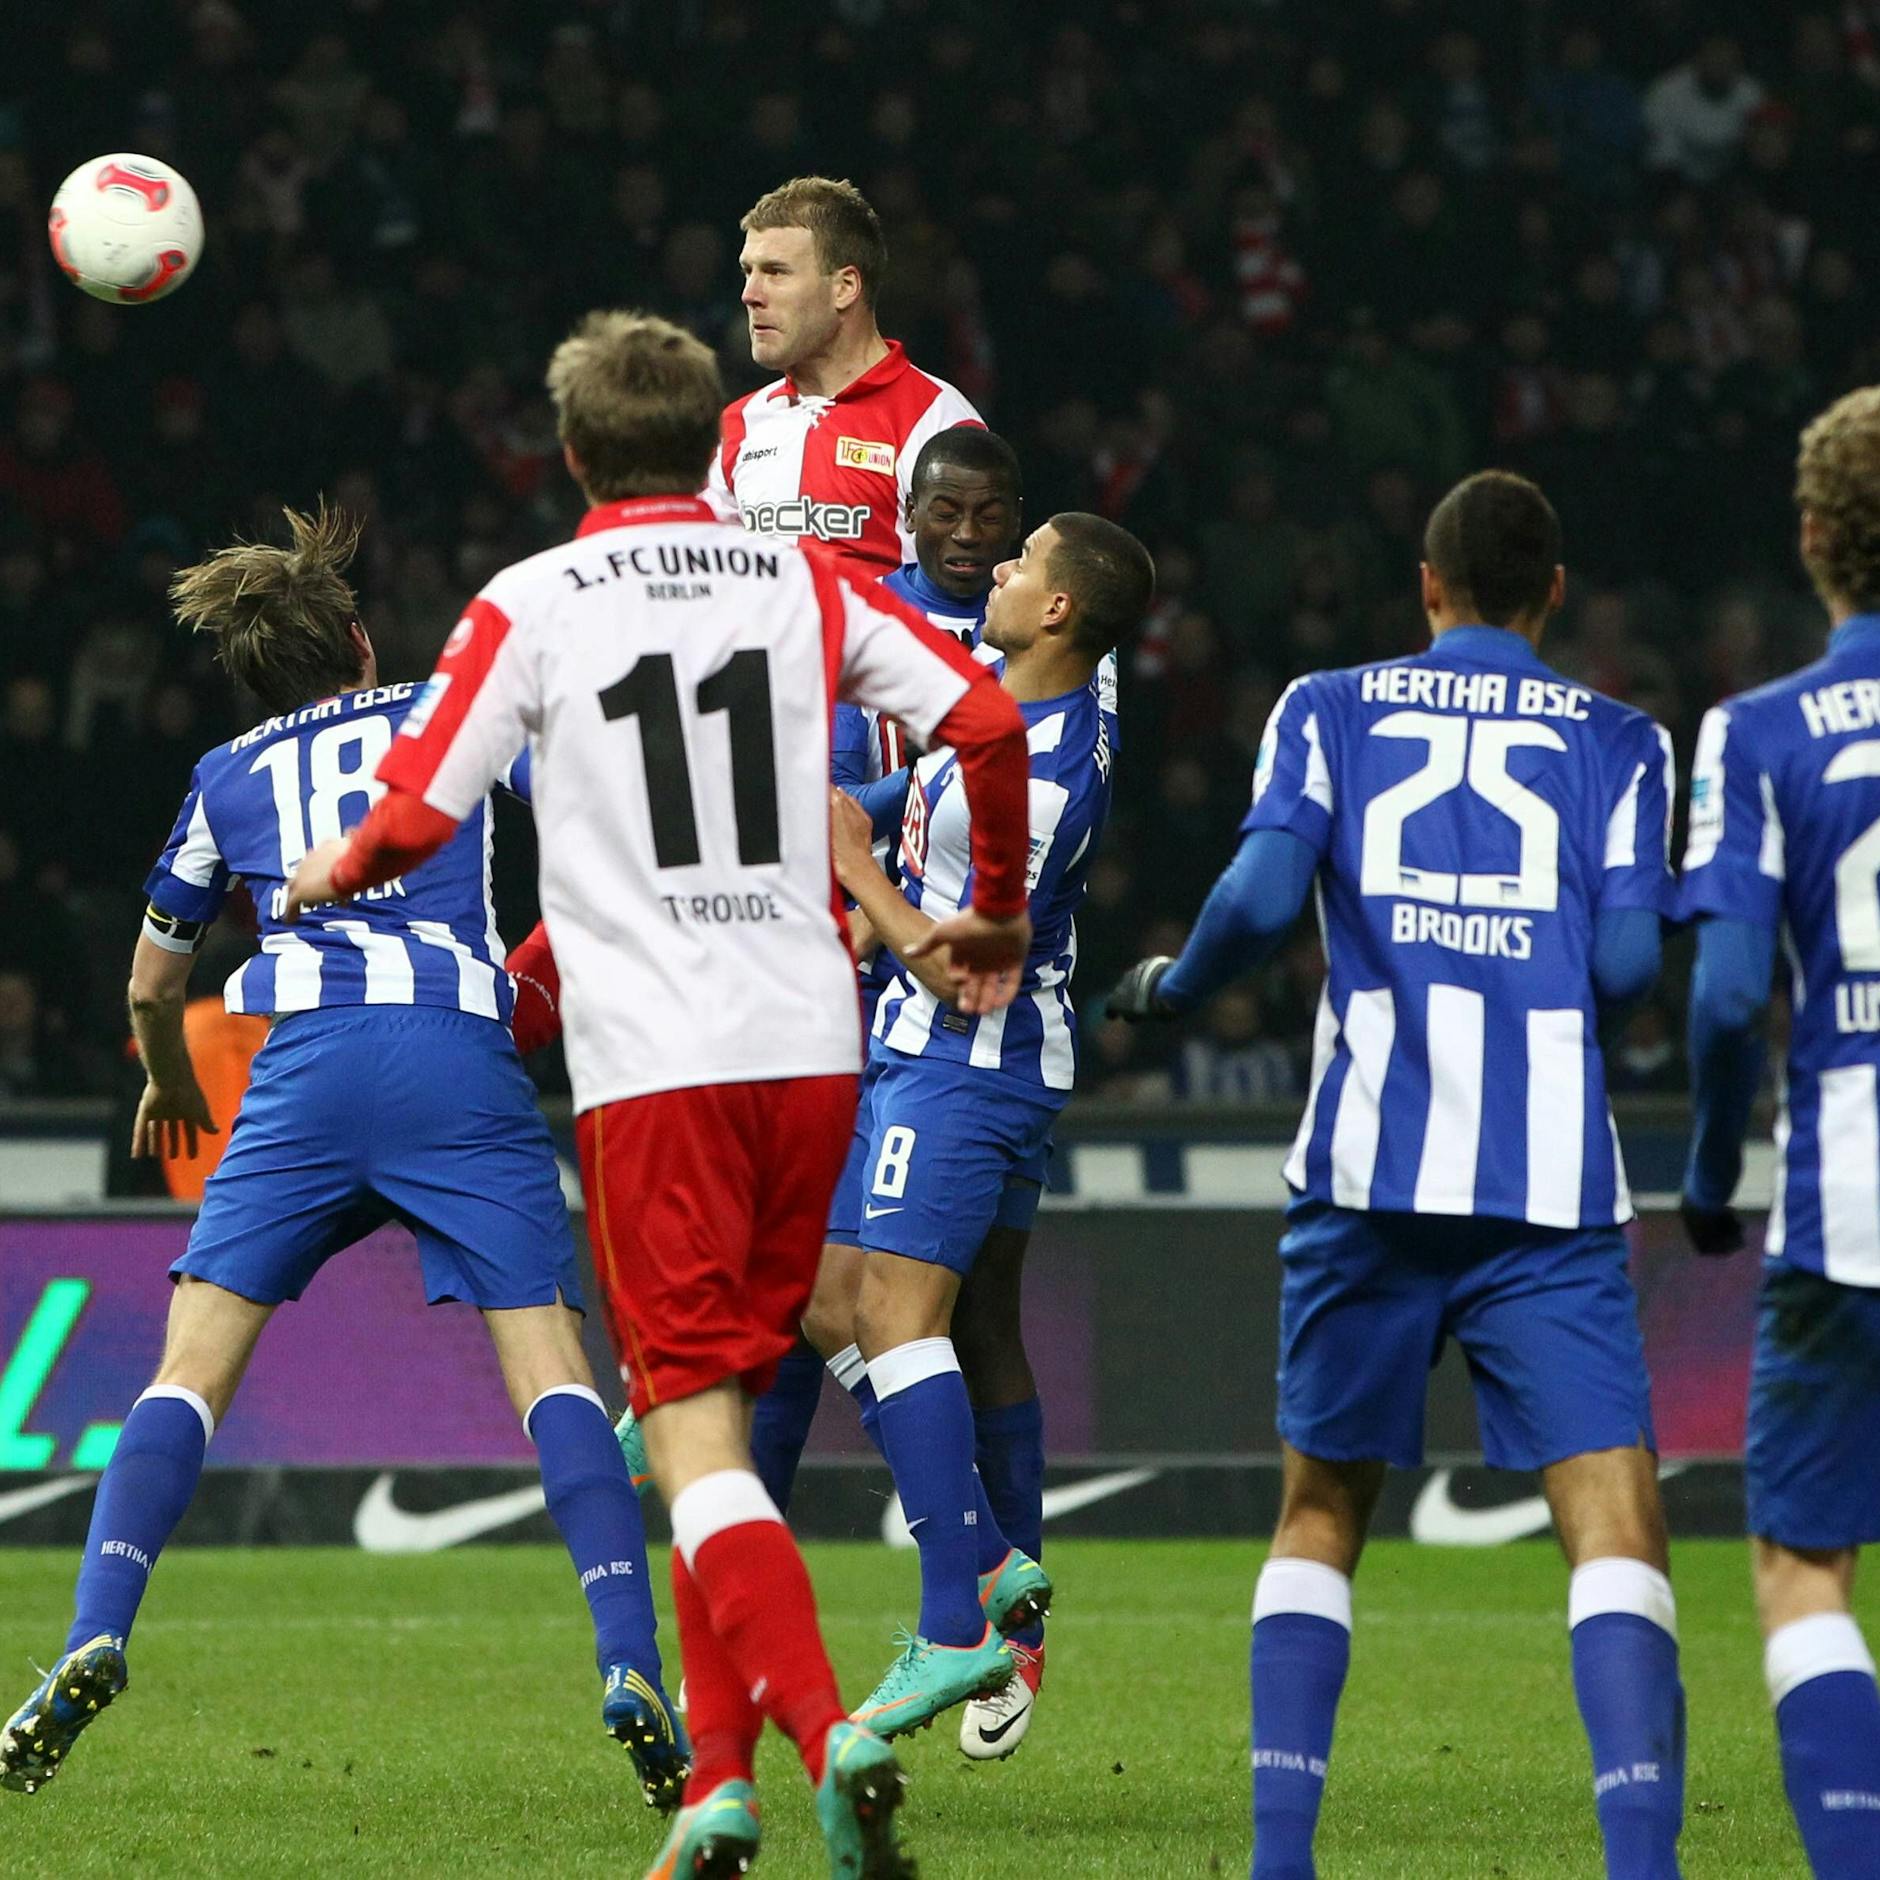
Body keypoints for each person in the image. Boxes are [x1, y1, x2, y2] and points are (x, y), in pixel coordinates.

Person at [279, 310, 1035, 1880]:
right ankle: (716, 1781)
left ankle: (824, 1736)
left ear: (568, 456)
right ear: (716, 443)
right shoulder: (800, 576)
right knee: (723, 1428)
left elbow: (419, 813)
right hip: (816, 1047)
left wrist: (326, 868)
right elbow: (981, 716)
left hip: (659, 1068)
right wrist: (999, 904)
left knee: (687, 1428)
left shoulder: (531, 601)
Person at [0, 506, 687, 1817]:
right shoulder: (450, 709)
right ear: (363, 640)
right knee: (549, 1366)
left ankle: (97, 1629)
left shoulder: (223, 775)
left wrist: (164, 1077)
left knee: (189, 1360)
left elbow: (154, 977)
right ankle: (626, 1664)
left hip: (302, 1070)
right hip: (454, 1056)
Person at [1110, 470, 1685, 1879]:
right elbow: (1623, 966)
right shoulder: (1623, 740)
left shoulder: (1327, 707)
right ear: (1552, 596)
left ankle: (1282, 1858)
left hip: (1368, 1170)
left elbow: (1253, 903)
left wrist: (1175, 990)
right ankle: (1643, 1865)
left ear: (1426, 587)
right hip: (1544, 1186)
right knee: (1611, 1520)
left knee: (1320, 1509)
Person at [824, 514, 1151, 1748]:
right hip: (985, 1055)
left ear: (1060, 611)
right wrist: (849, 796)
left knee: (892, 1317)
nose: (995, 571)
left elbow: (951, 947)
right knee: (850, 1300)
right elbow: (922, 784)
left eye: (1019, 561)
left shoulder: (1048, 771)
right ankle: (999, 1565)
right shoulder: (1014, 699)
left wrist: (848, 860)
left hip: (962, 1057)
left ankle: (953, 1621)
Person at [746, 424, 1024, 1519]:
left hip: (954, 999)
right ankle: (749, 1600)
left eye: (987, 512)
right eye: (944, 510)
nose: (964, 533)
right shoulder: (847, 616)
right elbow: (801, 775)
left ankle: (984, 1569)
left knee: (950, 1306)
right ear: (904, 512)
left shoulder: (1039, 629)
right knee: (803, 1301)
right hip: (832, 975)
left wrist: (872, 838)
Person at [1678, 386, 1880, 1878]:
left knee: (1804, 1559)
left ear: (1815, 538)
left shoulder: (1759, 733)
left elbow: (1729, 993)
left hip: (1852, 1202)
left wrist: (1704, 1164)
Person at [710, 175, 982, 575]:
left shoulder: (937, 421)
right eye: (748, 271)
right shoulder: (737, 426)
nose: (750, 294)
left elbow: (960, 605)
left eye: (776, 272)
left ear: (846, 287)